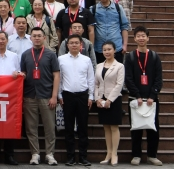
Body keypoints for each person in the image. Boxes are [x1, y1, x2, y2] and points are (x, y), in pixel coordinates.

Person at [20, 27, 60, 166]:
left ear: (44, 38)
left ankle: (50, 154)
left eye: (39, 36)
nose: (36, 38)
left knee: (49, 127)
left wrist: (54, 96)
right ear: (30, 38)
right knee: (31, 127)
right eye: (34, 36)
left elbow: (56, 75)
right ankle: (35, 154)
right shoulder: (25, 54)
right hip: (29, 95)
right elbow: (23, 73)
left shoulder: (51, 55)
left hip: (47, 95)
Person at [124, 26, 163, 166]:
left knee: (153, 129)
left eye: (143, 36)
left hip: (152, 100)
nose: (141, 38)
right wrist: (137, 95)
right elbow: (128, 79)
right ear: (134, 39)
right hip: (135, 99)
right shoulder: (130, 57)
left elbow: (158, 78)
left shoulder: (154, 56)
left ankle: (152, 155)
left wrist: (152, 95)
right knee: (136, 129)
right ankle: (136, 155)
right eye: (138, 36)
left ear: (148, 38)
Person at [58, 34, 95, 167]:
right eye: (71, 43)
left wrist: (91, 96)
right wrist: (59, 95)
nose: (74, 45)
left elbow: (91, 78)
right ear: (67, 45)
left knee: (83, 127)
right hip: (67, 96)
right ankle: (70, 157)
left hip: (83, 96)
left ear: (81, 45)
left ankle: (83, 157)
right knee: (69, 128)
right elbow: (59, 79)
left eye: (76, 43)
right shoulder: (61, 59)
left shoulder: (86, 60)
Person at [0, 31, 22, 166]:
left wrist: (17, 74)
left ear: (7, 41)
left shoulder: (14, 56)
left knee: (9, 126)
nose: (0, 41)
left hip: (10, 97)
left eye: (3, 39)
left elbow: (20, 72)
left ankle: (9, 155)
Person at [95, 40, 124, 166]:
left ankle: (114, 154)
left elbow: (119, 84)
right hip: (101, 100)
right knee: (106, 127)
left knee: (114, 127)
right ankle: (108, 153)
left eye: (109, 49)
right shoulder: (99, 66)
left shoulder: (119, 66)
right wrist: (97, 98)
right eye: (104, 50)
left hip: (114, 100)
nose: (107, 52)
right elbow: (96, 84)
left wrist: (109, 100)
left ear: (114, 50)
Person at [92, 0, 130, 64]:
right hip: (99, 48)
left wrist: (125, 45)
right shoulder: (93, 9)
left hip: (117, 47)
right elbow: (91, 29)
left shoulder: (118, 8)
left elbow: (124, 26)